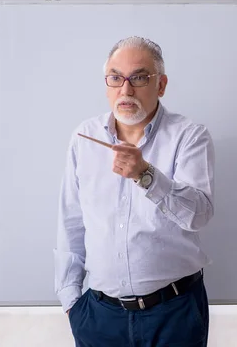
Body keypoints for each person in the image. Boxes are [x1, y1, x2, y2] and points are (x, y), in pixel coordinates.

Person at [54, 36, 215, 346]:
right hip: (98, 316)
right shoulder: (84, 137)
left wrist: (146, 174)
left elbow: (199, 215)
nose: (125, 90)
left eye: (139, 77)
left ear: (161, 85)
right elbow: (71, 220)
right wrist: (71, 300)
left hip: (174, 313)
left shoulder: (189, 136)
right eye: (115, 78)